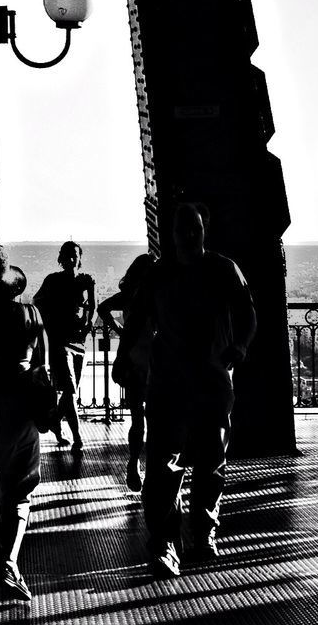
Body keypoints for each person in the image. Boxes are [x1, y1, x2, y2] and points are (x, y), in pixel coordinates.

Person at [126, 203, 256, 578]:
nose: (187, 235)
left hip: (194, 380)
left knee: (190, 461)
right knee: (192, 461)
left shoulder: (168, 273)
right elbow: (247, 313)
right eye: (183, 229)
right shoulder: (220, 270)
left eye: (192, 228)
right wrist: (239, 347)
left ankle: (186, 536)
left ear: (202, 231)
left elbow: (137, 320)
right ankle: (181, 538)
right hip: (190, 380)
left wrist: (240, 345)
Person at [0, 243, 47, 603]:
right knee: (20, 489)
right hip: (19, 409)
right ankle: (8, 563)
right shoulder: (29, 316)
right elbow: (43, 363)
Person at [97, 253, 155, 493]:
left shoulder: (129, 296)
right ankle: (152, 467)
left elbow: (103, 308)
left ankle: (134, 462)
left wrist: (119, 329)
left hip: (132, 360)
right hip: (154, 360)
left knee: (137, 417)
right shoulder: (157, 296)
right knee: (154, 416)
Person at [32, 241, 95, 457]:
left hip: (78, 344)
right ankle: (75, 437)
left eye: (74, 255)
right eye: (68, 255)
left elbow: (91, 309)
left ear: (79, 258)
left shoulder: (80, 282)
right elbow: (39, 302)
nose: (71, 259)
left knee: (70, 393)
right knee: (70, 390)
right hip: (63, 343)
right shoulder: (55, 281)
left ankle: (55, 423)